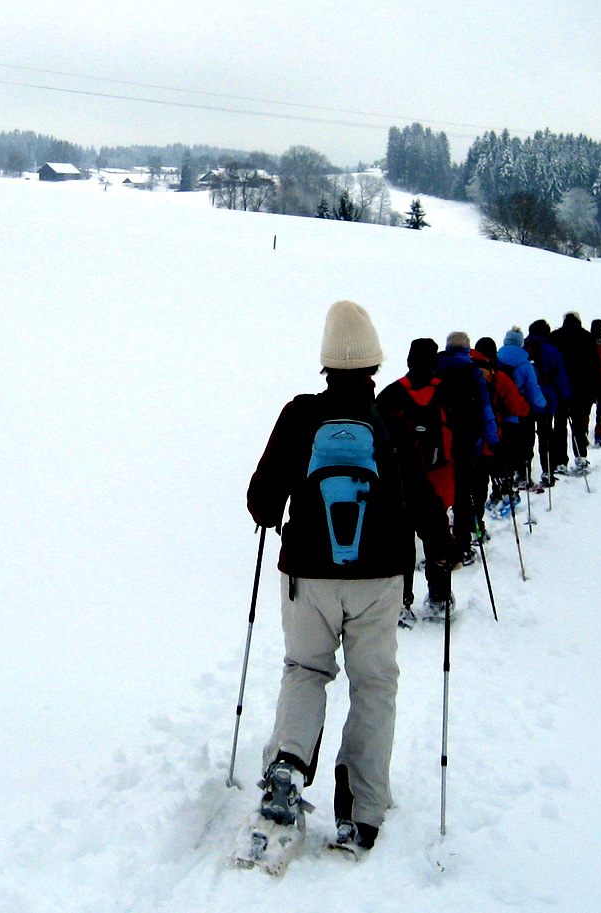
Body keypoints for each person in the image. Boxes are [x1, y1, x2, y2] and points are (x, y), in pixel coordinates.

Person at [246, 300, 414, 856]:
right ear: (373, 365)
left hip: (308, 578)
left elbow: (262, 501)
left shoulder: (299, 415)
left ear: (325, 364)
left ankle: (288, 767)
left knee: (305, 668)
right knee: (373, 685)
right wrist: (439, 549)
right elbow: (419, 497)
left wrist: (276, 512)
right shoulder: (388, 416)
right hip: (379, 579)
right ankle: (362, 810)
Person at [376, 337, 461, 622]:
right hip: (439, 477)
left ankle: (401, 602)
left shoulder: (391, 393)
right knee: (437, 536)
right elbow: (463, 434)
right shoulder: (448, 390)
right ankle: (440, 598)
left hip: (400, 480)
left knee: (402, 540)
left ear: (409, 360)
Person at [435, 331, 499, 561]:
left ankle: (439, 546)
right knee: (464, 493)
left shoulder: (436, 368)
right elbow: (484, 408)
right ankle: (462, 545)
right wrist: (492, 439)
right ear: (466, 348)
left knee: (440, 495)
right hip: (466, 440)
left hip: (439, 440)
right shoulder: (473, 372)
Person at [472, 336, 530, 511]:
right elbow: (517, 405)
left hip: (470, 433)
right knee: (499, 465)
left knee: (477, 476)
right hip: (497, 430)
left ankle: (475, 511)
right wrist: (526, 409)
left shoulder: (464, 373)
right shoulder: (497, 376)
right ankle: (502, 495)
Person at [549, 311, 600, 471]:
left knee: (559, 425)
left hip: (559, 388)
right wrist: (594, 391)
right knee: (578, 424)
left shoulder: (554, 336)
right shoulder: (588, 337)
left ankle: (560, 461)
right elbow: (595, 366)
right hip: (582, 389)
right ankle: (581, 457)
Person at [496, 326, 546, 488]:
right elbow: (533, 390)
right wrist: (543, 403)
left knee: (506, 445)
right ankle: (523, 475)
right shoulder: (525, 364)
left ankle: (506, 477)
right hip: (523, 411)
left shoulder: (497, 360)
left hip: (502, 411)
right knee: (525, 444)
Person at [524, 319, 571, 487]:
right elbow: (560, 375)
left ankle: (524, 473)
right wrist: (566, 395)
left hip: (526, 401)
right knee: (545, 436)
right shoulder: (551, 350)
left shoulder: (523, 349)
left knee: (527, 438)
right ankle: (548, 472)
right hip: (546, 399)